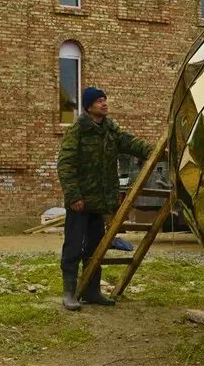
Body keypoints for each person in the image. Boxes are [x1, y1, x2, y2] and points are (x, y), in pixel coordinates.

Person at [56, 86, 152, 310]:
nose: (105, 104)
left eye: (105, 100)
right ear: (89, 107)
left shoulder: (111, 130)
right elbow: (66, 165)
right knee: (73, 247)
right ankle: (69, 292)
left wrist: (155, 151)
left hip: (99, 203)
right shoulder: (78, 131)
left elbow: (130, 143)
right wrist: (73, 196)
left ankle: (91, 291)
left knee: (95, 248)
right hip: (80, 203)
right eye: (100, 101)